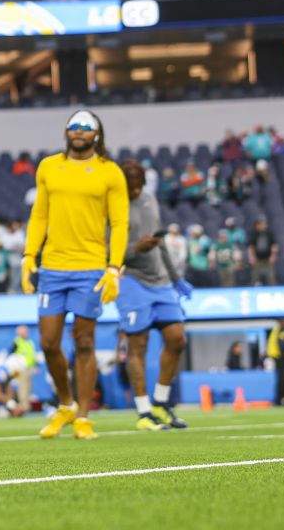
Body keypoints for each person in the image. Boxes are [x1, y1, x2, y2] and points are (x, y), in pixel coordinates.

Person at [23, 110, 129, 441]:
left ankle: (82, 416)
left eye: (86, 127)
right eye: (74, 126)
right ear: (66, 133)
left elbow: (119, 223)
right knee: (48, 342)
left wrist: (114, 267)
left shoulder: (109, 172)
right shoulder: (48, 167)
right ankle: (66, 404)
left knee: (84, 342)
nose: (79, 131)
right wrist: (29, 256)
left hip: (90, 268)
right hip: (53, 267)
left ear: (97, 135)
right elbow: (39, 215)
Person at [115, 160, 193, 431]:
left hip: (160, 281)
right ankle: (143, 412)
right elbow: (106, 252)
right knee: (139, 344)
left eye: (138, 186)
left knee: (177, 338)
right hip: (131, 279)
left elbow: (158, 244)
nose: (135, 191)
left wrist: (175, 278)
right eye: (130, 187)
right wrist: (137, 247)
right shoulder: (110, 205)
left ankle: (160, 401)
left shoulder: (150, 201)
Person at [8, 324, 37, 407]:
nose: (26, 332)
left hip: (29, 367)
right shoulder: (16, 341)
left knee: (28, 387)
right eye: (24, 331)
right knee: (22, 387)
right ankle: (23, 405)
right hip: (21, 368)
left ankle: (27, 405)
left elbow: (32, 355)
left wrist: (35, 366)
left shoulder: (29, 342)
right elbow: (11, 353)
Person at [249, 218, 279, 286]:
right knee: (255, 275)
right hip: (257, 258)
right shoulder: (254, 234)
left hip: (268, 257)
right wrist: (252, 256)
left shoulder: (269, 233)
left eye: (262, 224)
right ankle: (254, 289)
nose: (262, 225)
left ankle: (273, 288)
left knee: (271, 276)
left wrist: (273, 256)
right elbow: (251, 246)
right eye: (260, 224)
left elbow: (274, 245)